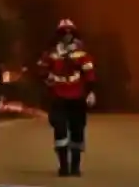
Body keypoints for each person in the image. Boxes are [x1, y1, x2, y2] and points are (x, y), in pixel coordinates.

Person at [37, 18, 97, 177]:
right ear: (59, 35)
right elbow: (41, 70)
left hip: (77, 97)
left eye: (70, 32)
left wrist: (90, 92)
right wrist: (47, 79)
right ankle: (63, 166)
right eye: (64, 32)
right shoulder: (51, 53)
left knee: (77, 131)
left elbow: (89, 74)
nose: (67, 35)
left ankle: (75, 167)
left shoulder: (82, 54)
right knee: (60, 131)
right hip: (58, 97)